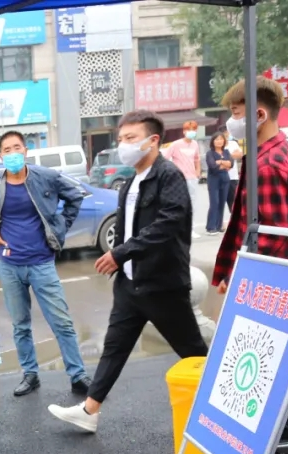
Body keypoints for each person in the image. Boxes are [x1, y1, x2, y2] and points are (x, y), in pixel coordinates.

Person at [48, 111, 208, 433]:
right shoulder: (130, 182)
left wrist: (121, 253)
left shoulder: (168, 176)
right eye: (121, 138)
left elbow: (168, 224)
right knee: (115, 347)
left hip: (162, 286)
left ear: (153, 140)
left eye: (131, 138)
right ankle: (89, 411)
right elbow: (126, 229)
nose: (123, 145)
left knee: (193, 353)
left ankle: (228, 410)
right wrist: (120, 262)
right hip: (130, 284)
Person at [214, 76, 288, 447]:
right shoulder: (285, 151)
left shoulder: (268, 165)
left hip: (273, 275)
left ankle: (281, 438)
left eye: (235, 113)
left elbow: (269, 237)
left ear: (259, 115)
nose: (230, 121)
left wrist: (240, 278)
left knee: (263, 356)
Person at [0, 131, 91, 398]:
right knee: (20, 325)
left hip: (42, 263)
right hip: (9, 265)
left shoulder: (46, 177)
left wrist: (60, 226)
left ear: (26, 151)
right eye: (7, 150)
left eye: (16, 148)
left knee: (61, 322)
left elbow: (75, 197)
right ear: (0, 156)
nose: (12, 154)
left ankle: (78, 375)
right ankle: (30, 374)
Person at [162, 120, 203, 239]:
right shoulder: (176, 144)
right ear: (184, 131)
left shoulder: (195, 144)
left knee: (192, 205)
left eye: (194, 129)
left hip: (192, 178)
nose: (191, 132)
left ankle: (191, 229)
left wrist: (198, 171)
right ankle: (177, 229)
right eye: (189, 130)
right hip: (179, 179)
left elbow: (197, 159)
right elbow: (165, 157)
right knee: (178, 204)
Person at [205, 132, 233, 234]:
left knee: (222, 203)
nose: (219, 141)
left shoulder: (226, 152)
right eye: (217, 139)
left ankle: (219, 225)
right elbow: (213, 166)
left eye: (221, 139)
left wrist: (220, 162)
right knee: (214, 202)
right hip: (214, 180)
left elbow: (231, 164)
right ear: (213, 141)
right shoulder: (210, 153)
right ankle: (211, 227)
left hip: (225, 179)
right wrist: (224, 163)